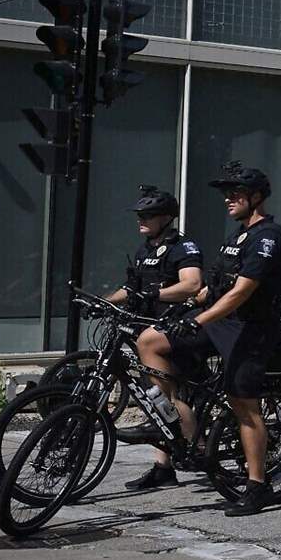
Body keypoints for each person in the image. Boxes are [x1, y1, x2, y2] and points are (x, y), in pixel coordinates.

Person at [151, 162, 281, 515]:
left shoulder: (270, 236)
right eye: (226, 194)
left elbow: (241, 292)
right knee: (150, 341)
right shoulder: (237, 236)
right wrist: (177, 303)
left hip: (251, 329)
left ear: (256, 197)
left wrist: (198, 320)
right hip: (220, 321)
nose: (228, 199)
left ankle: (258, 484)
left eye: (235, 194)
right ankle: (173, 420)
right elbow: (215, 288)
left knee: (244, 406)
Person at [109, 186, 205, 466]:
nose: (141, 219)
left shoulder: (182, 247)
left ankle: (199, 452)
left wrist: (156, 294)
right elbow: (130, 289)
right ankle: (163, 467)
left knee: (165, 396)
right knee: (155, 396)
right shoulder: (144, 250)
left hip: (175, 331)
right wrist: (103, 302)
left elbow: (192, 284)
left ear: (165, 218)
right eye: (139, 214)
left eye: (147, 215)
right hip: (148, 331)